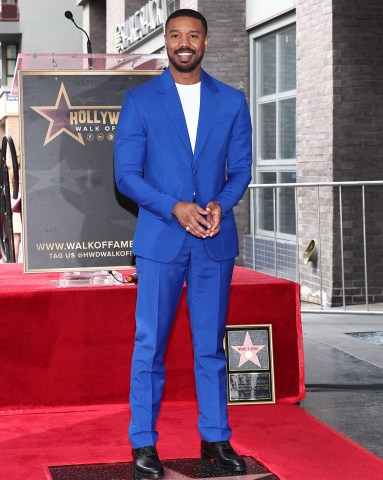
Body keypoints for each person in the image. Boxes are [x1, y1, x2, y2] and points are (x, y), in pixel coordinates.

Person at [114, 8, 252, 478]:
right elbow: (126, 175)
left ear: (207, 42)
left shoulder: (232, 101)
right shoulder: (140, 100)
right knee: (149, 345)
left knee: (211, 347)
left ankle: (215, 439)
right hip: (160, 240)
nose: (184, 43)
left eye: (193, 35)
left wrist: (219, 204)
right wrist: (174, 206)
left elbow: (241, 170)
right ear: (166, 43)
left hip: (214, 240)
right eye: (175, 35)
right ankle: (143, 445)